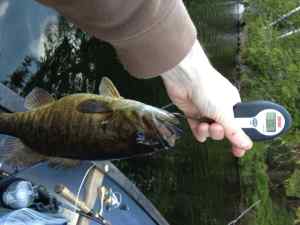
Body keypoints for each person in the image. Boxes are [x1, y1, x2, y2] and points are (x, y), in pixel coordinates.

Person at [36, 0, 253, 157]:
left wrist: (191, 72)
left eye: (140, 136)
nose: (149, 132)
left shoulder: (113, 109)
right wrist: (190, 72)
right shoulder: (113, 108)